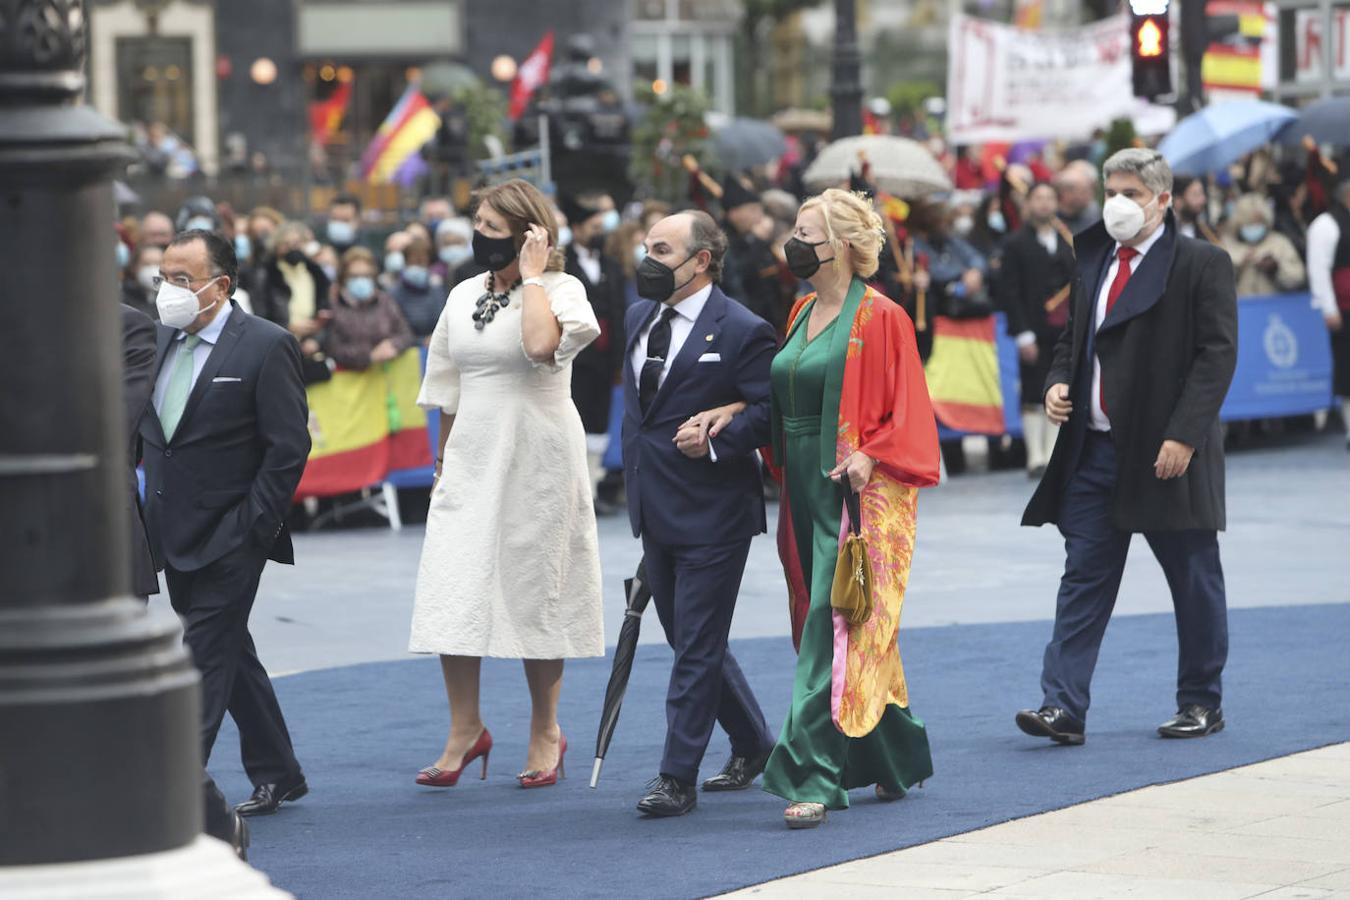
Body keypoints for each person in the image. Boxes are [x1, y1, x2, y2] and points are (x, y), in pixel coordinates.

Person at [726, 189, 940, 829]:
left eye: (803, 231)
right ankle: (892, 755)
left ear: (842, 245)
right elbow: (782, 396)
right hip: (800, 489)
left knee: (831, 623)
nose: (791, 241)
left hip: (856, 497)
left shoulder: (882, 317)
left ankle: (810, 773)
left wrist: (872, 455)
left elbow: (910, 411)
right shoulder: (797, 311)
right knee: (845, 626)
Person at [1019, 149, 1238, 746]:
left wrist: (1184, 435)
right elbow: (1074, 340)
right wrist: (1058, 383)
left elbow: (1216, 358)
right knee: (1083, 578)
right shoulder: (1092, 256)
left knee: (1193, 579)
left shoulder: (1201, 262)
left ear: (1162, 201)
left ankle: (1200, 701)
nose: (1117, 203)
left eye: (1131, 194)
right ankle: (1062, 706)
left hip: (1166, 454)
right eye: (1111, 191)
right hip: (1093, 453)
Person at [410, 179, 604, 790]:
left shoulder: (564, 290)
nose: (481, 236)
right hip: (471, 453)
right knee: (454, 581)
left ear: (529, 233)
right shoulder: (463, 292)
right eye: (479, 223)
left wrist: (536, 276)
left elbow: (542, 346)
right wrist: (443, 460)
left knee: (535, 585)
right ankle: (465, 728)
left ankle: (546, 729)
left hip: (539, 453)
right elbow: (446, 383)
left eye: (495, 227)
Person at [139, 229, 312, 817]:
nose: (170, 290)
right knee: (230, 650)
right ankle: (279, 771)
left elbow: (287, 448)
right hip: (171, 530)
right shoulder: (158, 338)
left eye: (183, 279)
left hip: (233, 533)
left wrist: (253, 525)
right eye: (164, 276)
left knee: (204, 654)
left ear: (222, 285)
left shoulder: (266, 345)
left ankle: (172, 791)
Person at [622, 210, 778, 818]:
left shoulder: (743, 328)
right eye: (647, 247)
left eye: (662, 249)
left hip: (715, 511)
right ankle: (753, 742)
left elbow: (770, 412)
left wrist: (720, 434)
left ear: (701, 260)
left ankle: (675, 776)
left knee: (695, 645)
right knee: (693, 638)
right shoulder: (639, 316)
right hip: (653, 505)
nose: (648, 259)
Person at [122, 302, 249, 859]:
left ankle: (208, 821)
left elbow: (113, 428)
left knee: (117, 701)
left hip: (89, 543)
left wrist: (254, 527)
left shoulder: (127, 329)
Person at [999, 182, 1078, 477]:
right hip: (1032, 328)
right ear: (1029, 204)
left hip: (1063, 330)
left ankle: (1054, 454)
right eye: (1039, 198)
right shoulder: (1015, 243)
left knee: (1060, 389)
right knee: (1033, 390)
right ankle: (1035, 456)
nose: (1045, 204)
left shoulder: (1067, 240)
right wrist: (1022, 332)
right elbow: (1010, 291)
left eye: (1050, 198)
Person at [562, 194, 628, 512]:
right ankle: (574, 492)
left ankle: (592, 489)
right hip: (574, 360)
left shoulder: (611, 265)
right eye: (593, 226)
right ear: (576, 228)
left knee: (600, 425)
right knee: (575, 423)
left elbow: (618, 311)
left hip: (604, 358)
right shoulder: (564, 265)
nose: (598, 232)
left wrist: (619, 358)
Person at [1305, 178, 1350, 449]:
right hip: (1344, 308)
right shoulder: (1326, 224)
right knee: (1348, 370)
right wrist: (1329, 307)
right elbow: (1318, 269)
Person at [325, 246, 416, 369]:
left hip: (385, 381)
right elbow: (332, 347)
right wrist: (369, 356)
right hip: (349, 383)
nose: (361, 280)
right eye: (354, 276)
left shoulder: (385, 301)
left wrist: (393, 345)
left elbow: (405, 333)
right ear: (344, 278)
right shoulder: (334, 306)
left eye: (366, 276)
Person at [721, 175, 788, 331]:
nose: (758, 216)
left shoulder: (756, 241)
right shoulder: (723, 246)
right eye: (752, 210)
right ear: (734, 213)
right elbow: (737, 289)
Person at [1221, 193, 1306, 297]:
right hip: (1241, 308)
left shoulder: (1280, 243)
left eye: (1258, 222)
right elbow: (1217, 284)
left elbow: (1297, 277)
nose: (1253, 226)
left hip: (1273, 307)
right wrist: (1237, 267)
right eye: (1249, 222)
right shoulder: (1228, 245)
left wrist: (1276, 270)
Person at [388, 236, 445, 340]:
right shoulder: (394, 293)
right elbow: (395, 328)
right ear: (405, 263)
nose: (418, 266)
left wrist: (434, 338)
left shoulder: (436, 289)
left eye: (422, 262)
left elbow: (443, 321)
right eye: (413, 262)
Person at [1055, 161, 1101, 236]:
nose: (1091, 195)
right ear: (1066, 192)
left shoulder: (1092, 211)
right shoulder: (1049, 215)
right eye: (1084, 191)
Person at [122, 243, 164, 320]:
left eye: (158, 264)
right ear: (134, 267)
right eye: (146, 264)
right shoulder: (122, 297)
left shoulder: (168, 298)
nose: (153, 269)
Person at [1173, 176, 1221, 244]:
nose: (1203, 200)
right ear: (1178, 201)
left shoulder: (1207, 232)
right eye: (1196, 195)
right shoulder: (1166, 236)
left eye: (1202, 194)